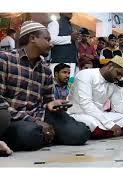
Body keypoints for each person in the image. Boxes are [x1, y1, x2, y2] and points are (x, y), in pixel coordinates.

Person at [0, 21, 90, 151]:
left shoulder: (46, 70)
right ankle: (44, 134)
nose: (51, 44)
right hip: (12, 118)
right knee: (29, 133)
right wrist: (34, 121)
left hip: (39, 115)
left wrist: (52, 104)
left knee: (80, 133)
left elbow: (47, 102)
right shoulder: (5, 59)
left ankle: (45, 135)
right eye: (47, 39)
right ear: (32, 39)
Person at [67, 56, 123, 139]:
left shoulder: (112, 84)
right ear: (110, 66)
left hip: (99, 116)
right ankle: (113, 132)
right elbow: (86, 104)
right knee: (92, 122)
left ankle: (107, 132)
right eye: (118, 73)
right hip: (79, 114)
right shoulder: (85, 74)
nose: (119, 78)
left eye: (121, 76)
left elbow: (119, 110)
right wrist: (110, 124)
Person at [48, 13, 80, 79]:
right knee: (56, 85)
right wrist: (70, 38)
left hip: (72, 63)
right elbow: (51, 39)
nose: (71, 12)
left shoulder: (71, 26)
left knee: (70, 86)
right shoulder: (55, 23)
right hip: (58, 63)